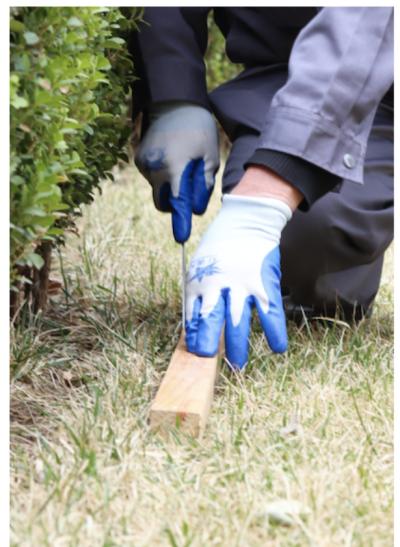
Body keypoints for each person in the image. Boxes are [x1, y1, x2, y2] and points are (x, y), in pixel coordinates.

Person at [130, 7, 394, 370]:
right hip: (285, 75)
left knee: (314, 220)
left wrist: (262, 203)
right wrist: (173, 95)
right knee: (298, 230)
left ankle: (336, 273)